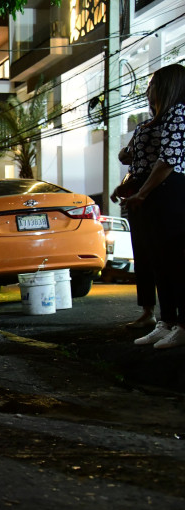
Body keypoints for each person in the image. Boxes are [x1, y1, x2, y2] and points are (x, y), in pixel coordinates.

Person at [124, 64, 185, 349]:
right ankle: (167, 321)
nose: (149, 91)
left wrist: (142, 194)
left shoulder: (178, 112)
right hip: (157, 193)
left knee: (173, 261)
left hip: (170, 192)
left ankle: (179, 325)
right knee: (160, 261)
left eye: (153, 85)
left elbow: (169, 159)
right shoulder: (162, 117)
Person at [111, 114, 161, 330]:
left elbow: (168, 159)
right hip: (137, 187)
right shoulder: (144, 125)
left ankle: (170, 316)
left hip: (160, 189)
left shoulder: (173, 119)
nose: (150, 93)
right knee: (141, 252)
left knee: (164, 254)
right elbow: (127, 158)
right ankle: (148, 311)